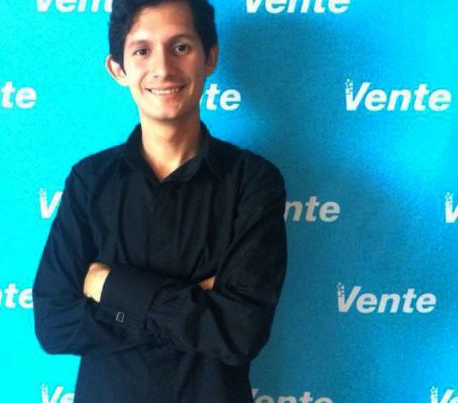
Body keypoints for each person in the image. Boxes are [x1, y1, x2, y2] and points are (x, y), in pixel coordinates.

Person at [32, 0, 287, 401]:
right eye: (142, 50)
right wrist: (195, 300)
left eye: (181, 47)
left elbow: (240, 332)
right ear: (118, 69)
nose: (163, 68)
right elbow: (54, 325)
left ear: (210, 57)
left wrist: (110, 286)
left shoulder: (253, 182)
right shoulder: (90, 181)